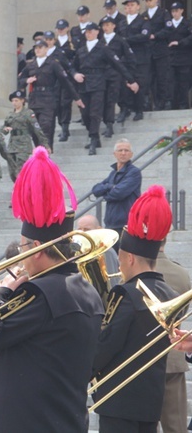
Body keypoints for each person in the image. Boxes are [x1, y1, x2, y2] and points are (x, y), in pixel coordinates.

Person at [0, 148, 104, 433]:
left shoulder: (39, 292)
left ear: (36, 249)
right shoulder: (87, 292)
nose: (19, 256)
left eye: (22, 248)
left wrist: (3, 292)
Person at [92, 185, 178, 433]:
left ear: (128, 258)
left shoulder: (126, 294)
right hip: (150, 403)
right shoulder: (169, 293)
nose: (119, 266)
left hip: (119, 406)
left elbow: (103, 348)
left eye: (119, 260)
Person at [70, 22, 139, 155]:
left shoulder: (103, 48)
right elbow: (72, 67)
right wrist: (75, 74)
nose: (88, 34)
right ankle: (94, 136)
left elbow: (118, 65)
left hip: (98, 83)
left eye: (91, 31)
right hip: (84, 84)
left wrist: (131, 80)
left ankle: (93, 139)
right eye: (86, 32)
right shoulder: (81, 50)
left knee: (95, 113)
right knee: (85, 114)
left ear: (97, 32)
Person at [153, 238, 190, 433]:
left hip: (143, 361)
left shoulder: (132, 273)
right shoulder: (181, 273)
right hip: (173, 358)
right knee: (176, 428)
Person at [18, 39, 82, 148]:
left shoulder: (53, 63)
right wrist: (26, 81)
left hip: (48, 99)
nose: (38, 50)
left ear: (46, 49)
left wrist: (76, 98)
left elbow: (65, 81)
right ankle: (39, 152)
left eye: (40, 48)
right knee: (34, 129)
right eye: (36, 48)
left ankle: (46, 153)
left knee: (46, 127)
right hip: (34, 100)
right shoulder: (31, 65)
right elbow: (20, 80)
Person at [91, 138, 141, 248]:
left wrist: (107, 193)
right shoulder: (113, 173)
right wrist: (110, 186)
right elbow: (95, 190)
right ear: (115, 154)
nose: (123, 153)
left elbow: (119, 193)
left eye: (126, 150)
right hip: (111, 224)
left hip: (126, 225)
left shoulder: (134, 172)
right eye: (120, 150)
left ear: (131, 154)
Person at [1, 90, 49, 182]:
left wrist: (45, 144)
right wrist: (5, 129)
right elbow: (3, 127)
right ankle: (18, 189)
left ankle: (23, 191)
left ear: (22, 101)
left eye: (16, 100)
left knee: (20, 171)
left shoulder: (28, 113)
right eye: (13, 101)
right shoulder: (10, 114)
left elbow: (37, 129)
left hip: (23, 145)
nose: (14, 103)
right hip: (12, 146)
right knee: (12, 173)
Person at [99, 16, 136, 138]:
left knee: (112, 100)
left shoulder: (120, 40)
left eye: (108, 24)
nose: (106, 27)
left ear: (114, 26)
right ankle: (107, 123)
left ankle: (110, 124)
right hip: (102, 75)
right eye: (104, 25)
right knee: (103, 100)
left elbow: (130, 57)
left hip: (116, 74)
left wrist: (128, 74)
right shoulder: (99, 41)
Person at [119, 0, 152, 122]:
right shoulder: (121, 23)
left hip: (140, 58)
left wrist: (126, 40)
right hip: (125, 59)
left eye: (132, 5)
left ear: (138, 7)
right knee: (124, 84)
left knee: (140, 83)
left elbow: (144, 36)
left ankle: (139, 109)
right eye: (127, 6)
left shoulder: (143, 20)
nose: (129, 8)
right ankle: (125, 109)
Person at [142, 0, 173, 111]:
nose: (148, 2)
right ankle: (151, 102)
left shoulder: (163, 13)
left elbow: (169, 28)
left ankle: (164, 102)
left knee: (162, 77)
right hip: (148, 52)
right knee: (149, 78)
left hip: (161, 50)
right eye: (146, 0)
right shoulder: (144, 15)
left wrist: (156, 35)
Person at [75, 214, 120, 287]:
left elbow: (112, 283)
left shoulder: (107, 251)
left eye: (87, 230)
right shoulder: (77, 252)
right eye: (80, 230)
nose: (83, 233)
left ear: (99, 229)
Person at [168, 2, 192, 110]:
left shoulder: (187, 24)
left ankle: (184, 105)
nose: (174, 14)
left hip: (184, 59)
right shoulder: (168, 24)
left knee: (184, 84)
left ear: (181, 11)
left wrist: (180, 42)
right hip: (171, 59)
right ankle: (173, 105)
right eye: (173, 11)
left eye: (176, 11)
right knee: (172, 84)